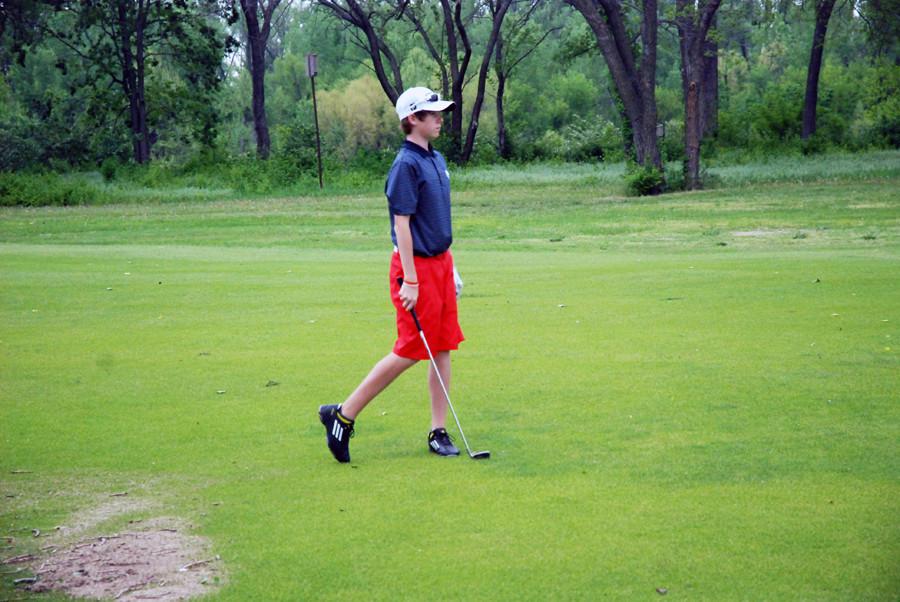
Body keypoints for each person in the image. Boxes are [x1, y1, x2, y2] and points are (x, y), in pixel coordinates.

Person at [319, 87, 465, 463]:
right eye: (431, 113)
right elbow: (402, 225)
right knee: (411, 350)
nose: (439, 118)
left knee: (442, 347)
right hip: (413, 267)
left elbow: (437, 220)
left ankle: (437, 430)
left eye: (439, 112)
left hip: (440, 264)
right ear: (412, 119)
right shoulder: (405, 164)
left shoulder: (436, 158)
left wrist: (452, 266)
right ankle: (343, 415)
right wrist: (413, 281)